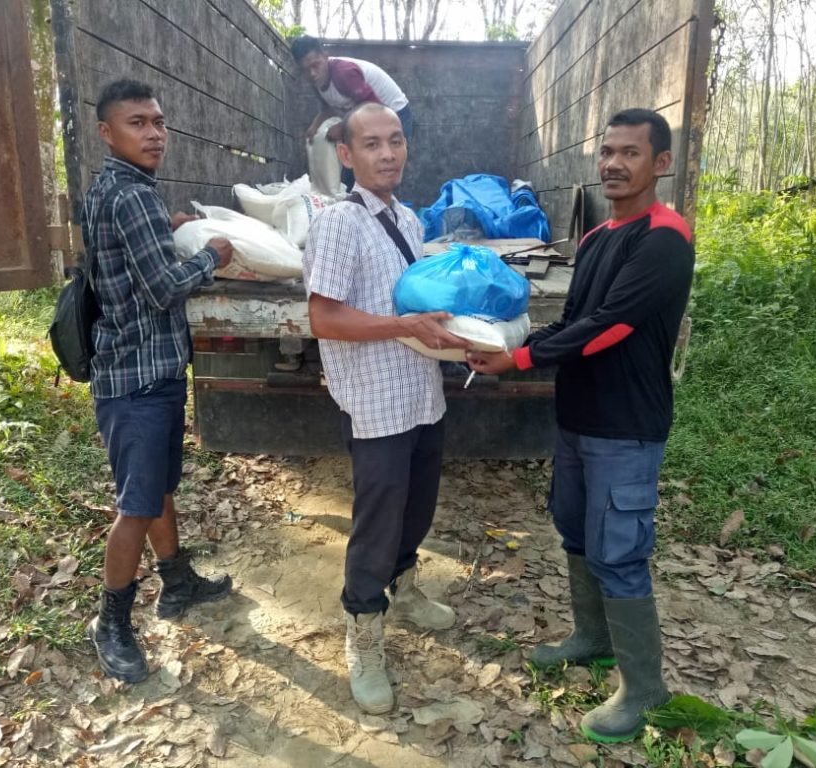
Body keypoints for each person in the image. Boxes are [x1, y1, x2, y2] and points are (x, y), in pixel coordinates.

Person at [467, 108, 695, 744]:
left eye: (630, 153)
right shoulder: (595, 240)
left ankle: (645, 691)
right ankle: (592, 637)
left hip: (627, 426)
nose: (614, 164)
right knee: (575, 530)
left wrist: (517, 359)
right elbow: (573, 319)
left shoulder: (665, 238)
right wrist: (507, 335)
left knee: (620, 552)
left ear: (660, 164)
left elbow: (612, 326)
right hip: (577, 417)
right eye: (607, 152)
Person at [302, 102, 468, 714]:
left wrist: (462, 335)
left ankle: (406, 583)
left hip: (420, 392)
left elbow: (420, 301)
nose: (387, 153)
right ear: (347, 156)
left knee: (418, 507)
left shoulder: (408, 218)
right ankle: (363, 631)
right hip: (373, 401)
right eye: (371, 144)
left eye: (395, 140)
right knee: (376, 521)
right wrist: (402, 324)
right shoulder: (339, 223)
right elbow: (324, 316)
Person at [82, 79, 236, 683]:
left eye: (158, 122)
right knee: (138, 503)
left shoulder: (114, 189)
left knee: (158, 488)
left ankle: (177, 583)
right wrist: (212, 256)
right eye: (137, 123)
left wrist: (167, 230)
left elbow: (127, 257)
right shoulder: (132, 197)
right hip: (136, 379)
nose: (153, 134)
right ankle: (110, 622)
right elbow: (165, 288)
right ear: (106, 132)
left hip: (148, 369)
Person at [291, 35, 412, 188]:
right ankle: (353, 206)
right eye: (306, 70)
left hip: (394, 114)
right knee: (352, 170)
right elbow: (327, 107)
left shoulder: (344, 73)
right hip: (368, 116)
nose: (313, 73)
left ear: (325, 56)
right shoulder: (317, 80)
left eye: (316, 65)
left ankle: (385, 210)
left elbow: (373, 106)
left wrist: (343, 127)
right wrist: (315, 126)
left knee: (382, 170)